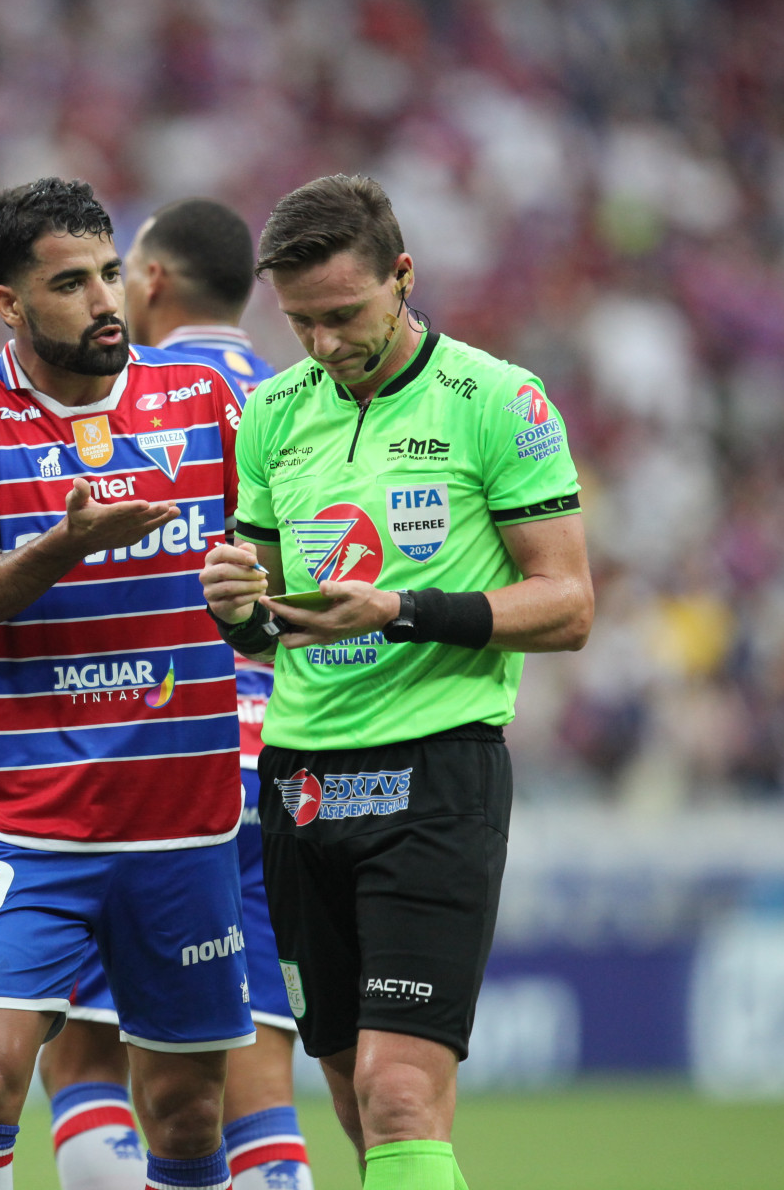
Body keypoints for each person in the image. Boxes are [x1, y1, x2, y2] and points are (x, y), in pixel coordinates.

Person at [200, 175, 592, 1190]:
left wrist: (404, 607)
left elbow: (568, 602)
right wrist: (236, 599)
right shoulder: (272, 413)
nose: (324, 344)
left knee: (399, 1090)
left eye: (345, 316)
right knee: (352, 1096)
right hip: (298, 780)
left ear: (403, 277)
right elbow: (261, 618)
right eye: (300, 323)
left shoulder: (499, 400)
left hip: (434, 772)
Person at [0, 177, 250, 1190]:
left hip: (185, 828)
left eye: (108, 273)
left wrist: (257, 592)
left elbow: (274, 571)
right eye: (69, 283)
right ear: (9, 303)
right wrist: (61, 543)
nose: (104, 300)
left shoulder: (203, 398)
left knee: (184, 1111)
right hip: (29, 825)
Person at [32, 198, 313, 1190]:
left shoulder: (136, 399)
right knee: (257, 1069)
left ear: (147, 280)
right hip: (279, 757)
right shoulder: (294, 401)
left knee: (86, 1053)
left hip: (152, 759)